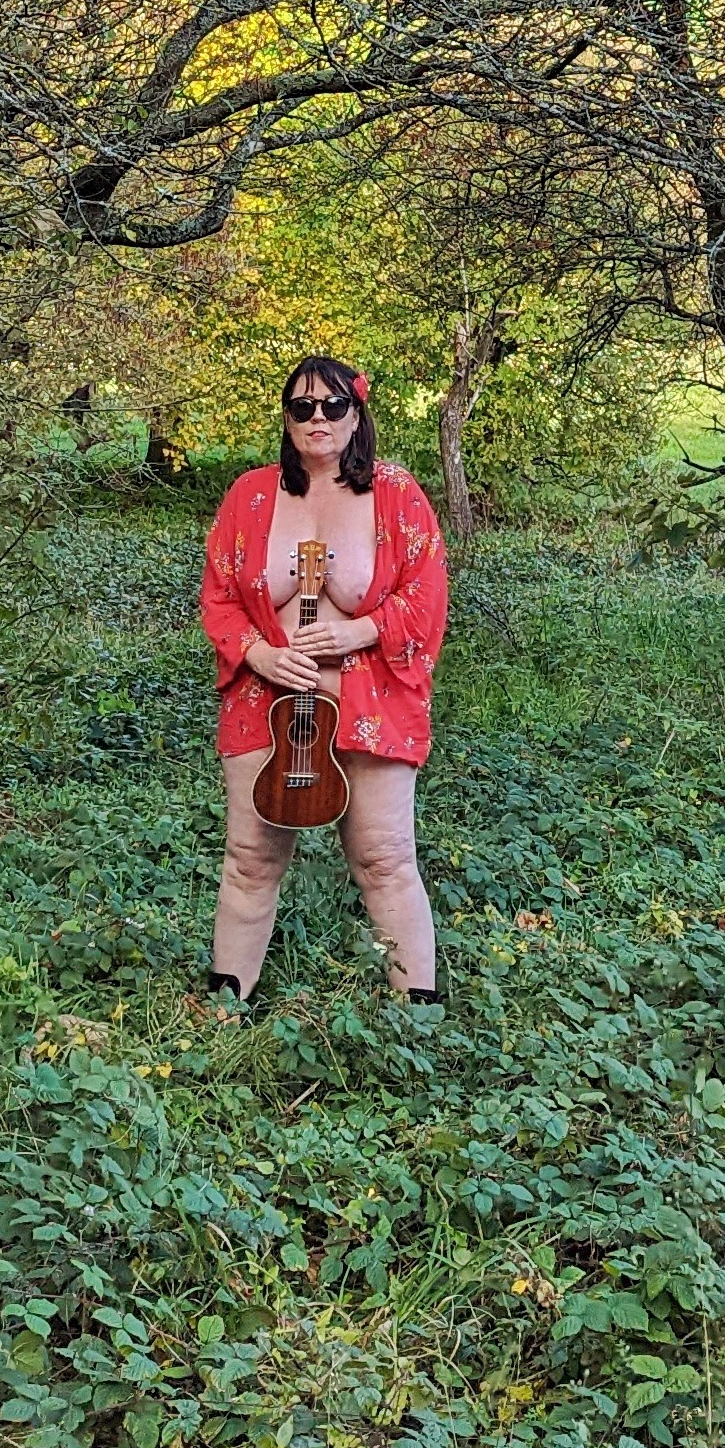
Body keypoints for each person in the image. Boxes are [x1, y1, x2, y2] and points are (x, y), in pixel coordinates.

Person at [199, 354, 449, 1005]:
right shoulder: (250, 495)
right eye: (302, 406)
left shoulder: (396, 494)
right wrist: (258, 654)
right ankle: (225, 1013)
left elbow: (427, 594)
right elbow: (219, 595)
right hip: (267, 703)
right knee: (250, 860)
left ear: (356, 412)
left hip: (370, 701)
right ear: (286, 417)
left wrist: (356, 632)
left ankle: (416, 1019)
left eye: (332, 405)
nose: (318, 418)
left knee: (385, 860)